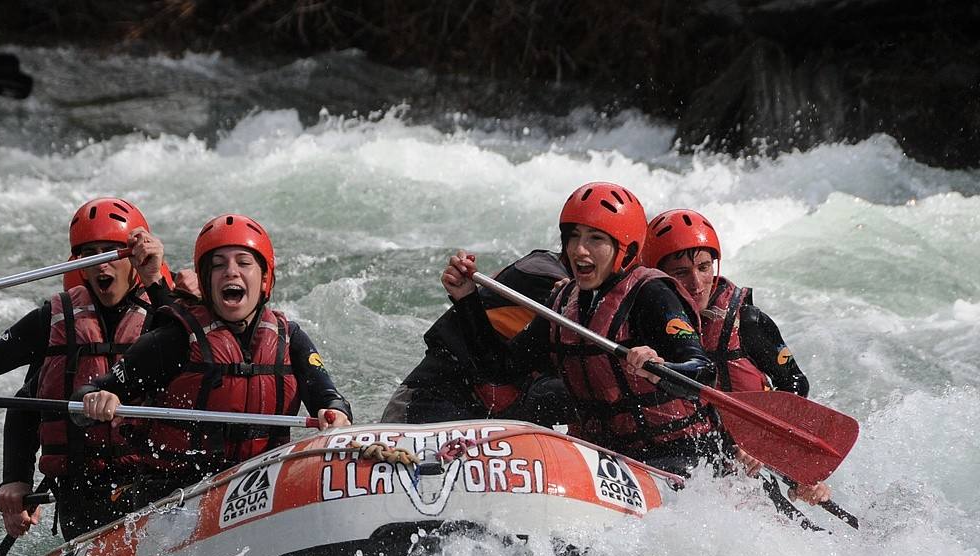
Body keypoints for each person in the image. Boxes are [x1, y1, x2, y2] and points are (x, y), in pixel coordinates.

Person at [0, 197, 192, 540]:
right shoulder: (55, 320)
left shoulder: (170, 313)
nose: (102, 266)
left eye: (110, 252)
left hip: (162, 484)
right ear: (79, 263)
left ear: (133, 258)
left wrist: (157, 281)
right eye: (91, 254)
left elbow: (194, 353)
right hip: (84, 495)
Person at [440, 182, 719, 473]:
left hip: (682, 459)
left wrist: (660, 368)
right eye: (573, 237)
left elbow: (703, 372)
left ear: (628, 248)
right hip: (608, 460)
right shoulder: (564, 303)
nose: (579, 250)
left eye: (595, 239)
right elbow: (501, 370)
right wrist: (466, 300)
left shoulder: (652, 293)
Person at [79, 213, 352, 494]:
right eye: (219, 265)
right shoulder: (175, 339)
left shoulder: (289, 337)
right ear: (206, 282)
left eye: (244, 263)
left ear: (265, 278)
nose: (231, 272)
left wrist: (335, 412)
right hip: (177, 495)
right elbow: (90, 392)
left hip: (260, 488)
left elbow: (331, 399)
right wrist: (99, 398)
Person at [642, 207, 830, 505]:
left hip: (752, 465)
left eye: (704, 267)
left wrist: (771, 450)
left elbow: (794, 386)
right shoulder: (641, 326)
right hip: (685, 462)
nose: (697, 283)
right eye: (681, 273)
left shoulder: (749, 323)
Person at [381, 249, 574, 425]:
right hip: (430, 399)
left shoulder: (589, 297)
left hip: (495, 415)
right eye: (577, 237)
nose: (583, 250)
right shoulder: (543, 277)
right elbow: (499, 367)